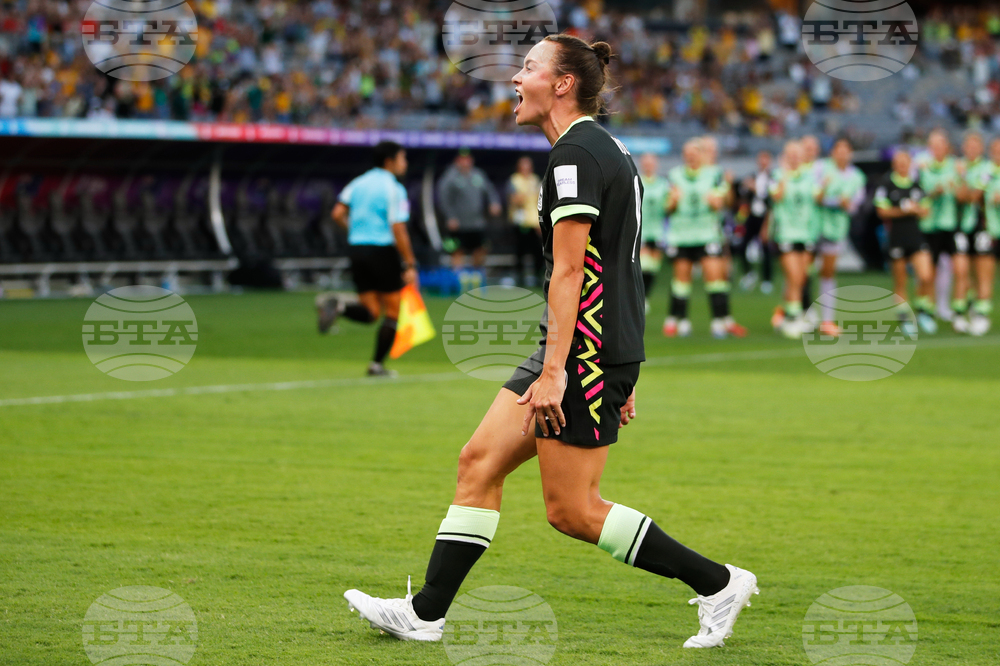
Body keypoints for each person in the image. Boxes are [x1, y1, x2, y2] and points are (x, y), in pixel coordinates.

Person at [344, 34, 758, 650]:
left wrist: (562, 369)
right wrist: (620, 364)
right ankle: (427, 613)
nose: (516, 78)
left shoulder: (575, 156)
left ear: (562, 84)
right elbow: (621, 264)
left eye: (529, 67)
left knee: (572, 510)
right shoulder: (601, 148)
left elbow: (573, 273)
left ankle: (720, 582)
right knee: (478, 463)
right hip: (589, 347)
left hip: (582, 352)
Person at [317, 141, 418, 377]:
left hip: (357, 249)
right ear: (390, 161)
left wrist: (354, 230)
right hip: (382, 250)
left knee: (372, 311)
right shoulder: (394, 188)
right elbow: (398, 228)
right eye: (403, 158)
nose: (406, 163)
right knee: (393, 311)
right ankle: (376, 365)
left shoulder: (358, 182)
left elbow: (337, 213)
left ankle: (339, 307)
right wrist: (410, 263)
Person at [663, 140, 748, 339]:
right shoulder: (675, 175)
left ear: (701, 155)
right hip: (681, 234)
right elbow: (667, 207)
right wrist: (672, 202)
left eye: (695, 152)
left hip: (706, 234)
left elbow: (723, 203)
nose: (691, 156)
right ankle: (681, 321)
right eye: (687, 153)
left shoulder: (714, 174)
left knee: (715, 278)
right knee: (681, 281)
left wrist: (717, 200)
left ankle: (719, 322)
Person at [875, 149, 937, 333]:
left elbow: (926, 210)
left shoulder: (917, 185)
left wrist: (917, 210)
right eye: (899, 162)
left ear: (910, 164)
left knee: (926, 275)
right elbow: (881, 211)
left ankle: (922, 310)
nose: (902, 166)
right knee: (901, 280)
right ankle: (904, 318)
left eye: (905, 162)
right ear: (894, 165)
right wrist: (904, 211)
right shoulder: (886, 185)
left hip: (915, 236)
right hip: (896, 237)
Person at [766, 140, 820, 339]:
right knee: (794, 276)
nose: (795, 158)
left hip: (806, 233)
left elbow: (818, 199)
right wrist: (785, 175)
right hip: (786, 233)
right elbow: (777, 196)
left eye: (798, 154)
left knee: (802, 277)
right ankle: (792, 317)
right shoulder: (776, 176)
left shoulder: (810, 176)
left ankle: (794, 315)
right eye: (791, 154)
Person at [815, 138, 866, 337]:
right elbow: (815, 195)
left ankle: (826, 319)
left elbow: (855, 205)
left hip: (835, 229)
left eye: (846, 150)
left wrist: (846, 204)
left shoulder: (856, 176)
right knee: (799, 270)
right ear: (832, 152)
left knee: (827, 272)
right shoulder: (821, 168)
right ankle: (793, 313)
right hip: (813, 226)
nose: (842, 154)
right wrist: (835, 200)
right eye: (839, 149)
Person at [437, 148, 502, 290]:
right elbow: (444, 199)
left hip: (477, 223)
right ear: (457, 161)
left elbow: (490, 190)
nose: (466, 162)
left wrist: (494, 202)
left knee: (480, 249)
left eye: (468, 159)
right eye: (462, 159)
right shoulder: (450, 177)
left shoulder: (478, 175)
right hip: (458, 223)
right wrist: (450, 217)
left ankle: (475, 278)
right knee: (457, 250)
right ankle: (457, 281)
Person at [918, 129, 960, 324]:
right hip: (928, 225)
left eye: (940, 144)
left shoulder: (956, 166)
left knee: (951, 267)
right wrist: (935, 192)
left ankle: (944, 305)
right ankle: (927, 305)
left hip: (949, 223)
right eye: (933, 145)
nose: (936, 149)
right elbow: (918, 194)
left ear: (946, 146)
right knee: (928, 269)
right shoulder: (922, 166)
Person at [954, 132, 990, 333]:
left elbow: (973, 196)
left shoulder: (986, 169)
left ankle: (980, 313)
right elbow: (959, 197)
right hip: (960, 226)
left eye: (975, 146)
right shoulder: (957, 166)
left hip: (980, 226)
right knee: (961, 271)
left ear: (981, 149)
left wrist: (963, 179)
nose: (972, 150)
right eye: (968, 146)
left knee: (982, 272)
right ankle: (960, 312)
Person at [735, 150, 775, 294]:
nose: (763, 162)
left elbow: (771, 199)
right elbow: (742, 195)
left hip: (765, 216)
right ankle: (749, 274)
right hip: (751, 217)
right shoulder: (752, 176)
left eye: (766, 159)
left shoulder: (774, 177)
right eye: (761, 159)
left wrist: (756, 188)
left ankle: (767, 280)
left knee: (766, 250)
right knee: (742, 245)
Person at [974, 137, 1000, 336]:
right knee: (984, 275)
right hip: (990, 231)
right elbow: (974, 197)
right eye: (995, 150)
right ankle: (981, 314)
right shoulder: (986, 173)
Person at [638, 152, 670, 311]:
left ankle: (646, 296)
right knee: (643, 265)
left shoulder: (663, 184)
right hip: (642, 229)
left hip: (658, 230)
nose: (649, 165)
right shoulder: (637, 181)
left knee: (653, 267)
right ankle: (641, 297)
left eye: (651, 162)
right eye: (646, 162)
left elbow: (668, 206)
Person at [507, 155, 544, 287]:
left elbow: (538, 199)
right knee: (520, 251)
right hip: (520, 222)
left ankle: (538, 278)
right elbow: (514, 199)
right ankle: (519, 278)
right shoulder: (514, 180)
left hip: (534, 222)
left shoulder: (535, 180)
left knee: (537, 252)